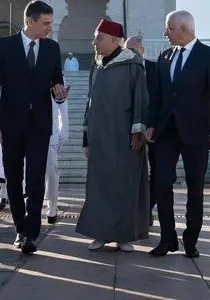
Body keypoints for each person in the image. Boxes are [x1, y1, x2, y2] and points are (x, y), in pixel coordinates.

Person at [0, 0, 69, 255]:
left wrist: (60, 95)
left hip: (40, 124)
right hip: (10, 124)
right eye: (45, 23)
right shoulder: (5, 46)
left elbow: (56, 82)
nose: (49, 29)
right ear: (30, 21)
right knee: (13, 178)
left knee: (35, 179)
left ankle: (31, 233)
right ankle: (19, 228)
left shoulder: (52, 49)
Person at [146, 10, 210, 258]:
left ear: (184, 29)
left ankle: (191, 240)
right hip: (166, 131)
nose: (165, 32)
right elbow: (157, 95)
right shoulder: (165, 56)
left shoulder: (209, 56)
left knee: (195, 187)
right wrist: (150, 123)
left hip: (197, 132)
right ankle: (167, 238)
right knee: (161, 182)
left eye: (168, 28)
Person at [77, 19, 149, 251]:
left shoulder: (132, 64)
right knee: (99, 187)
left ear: (114, 40)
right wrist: (87, 137)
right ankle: (100, 234)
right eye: (94, 37)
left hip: (124, 138)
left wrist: (138, 131)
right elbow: (90, 103)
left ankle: (124, 236)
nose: (94, 42)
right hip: (100, 139)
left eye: (98, 37)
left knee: (124, 185)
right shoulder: (96, 66)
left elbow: (141, 99)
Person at [124, 36, 158, 226]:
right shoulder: (123, 71)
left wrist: (152, 126)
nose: (132, 54)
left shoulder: (155, 69)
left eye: (135, 51)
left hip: (153, 132)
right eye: (128, 50)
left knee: (160, 174)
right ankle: (137, 211)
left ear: (142, 50)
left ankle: (146, 208)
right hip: (131, 132)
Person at [46, 91, 69, 224]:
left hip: (51, 132)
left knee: (52, 173)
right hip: (31, 131)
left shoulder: (56, 79)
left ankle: (52, 206)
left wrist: (63, 133)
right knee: (30, 172)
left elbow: (63, 106)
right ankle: (30, 204)